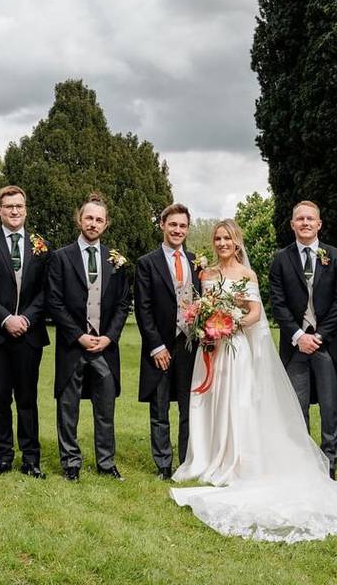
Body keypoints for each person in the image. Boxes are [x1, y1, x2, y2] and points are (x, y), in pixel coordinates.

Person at [171, 219, 337, 543]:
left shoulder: (247, 275)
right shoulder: (206, 274)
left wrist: (231, 324)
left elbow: (254, 313)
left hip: (235, 349)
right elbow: (195, 310)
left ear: (237, 242)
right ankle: (207, 459)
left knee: (238, 402)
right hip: (210, 350)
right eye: (218, 238)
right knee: (208, 402)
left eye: (228, 238)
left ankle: (236, 460)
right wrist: (205, 324)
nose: (222, 243)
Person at [47, 193, 132, 482]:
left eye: (99, 219)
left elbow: (123, 304)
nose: (93, 223)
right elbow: (54, 302)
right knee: (68, 407)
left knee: (105, 408)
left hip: (105, 348)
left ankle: (106, 463)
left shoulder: (116, 261)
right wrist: (78, 336)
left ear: (105, 224)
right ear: (79, 219)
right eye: (89, 218)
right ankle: (71, 463)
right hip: (74, 346)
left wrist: (109, 337)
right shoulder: (60, 257)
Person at [0, 185, 50, 478]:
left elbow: (46, 290)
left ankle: (31, 459)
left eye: (19, 206)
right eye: (8, 206)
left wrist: (26, 318)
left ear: (25, 209)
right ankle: (3, 457)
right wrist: (6, 319)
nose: (14, 211)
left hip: (29, 334)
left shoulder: (41, 245)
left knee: (27, 397)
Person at [269, 201, 337, 479]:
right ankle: (300, 463)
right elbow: (277, 303)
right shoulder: (281, 258)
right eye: (300, 219)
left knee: (330, 409)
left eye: (310, 219)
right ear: (292, 224)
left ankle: (329, 466)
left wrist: (319, 335)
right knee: (296, 408)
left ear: (319, 224)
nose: (305, 223)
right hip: (295, 347)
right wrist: (298, 335)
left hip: (325, 345)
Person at [134, 203, 200, 480]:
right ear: (162, 225)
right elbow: (143, 309)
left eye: (182, 226)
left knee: (189, 408)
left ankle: (186, 462)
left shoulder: (197, 261)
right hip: (161, 344)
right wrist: (156, 346)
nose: (177, 230)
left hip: (189, 344)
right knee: (159, 408)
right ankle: (163, 464)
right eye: (173, 224)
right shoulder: (147, 263)